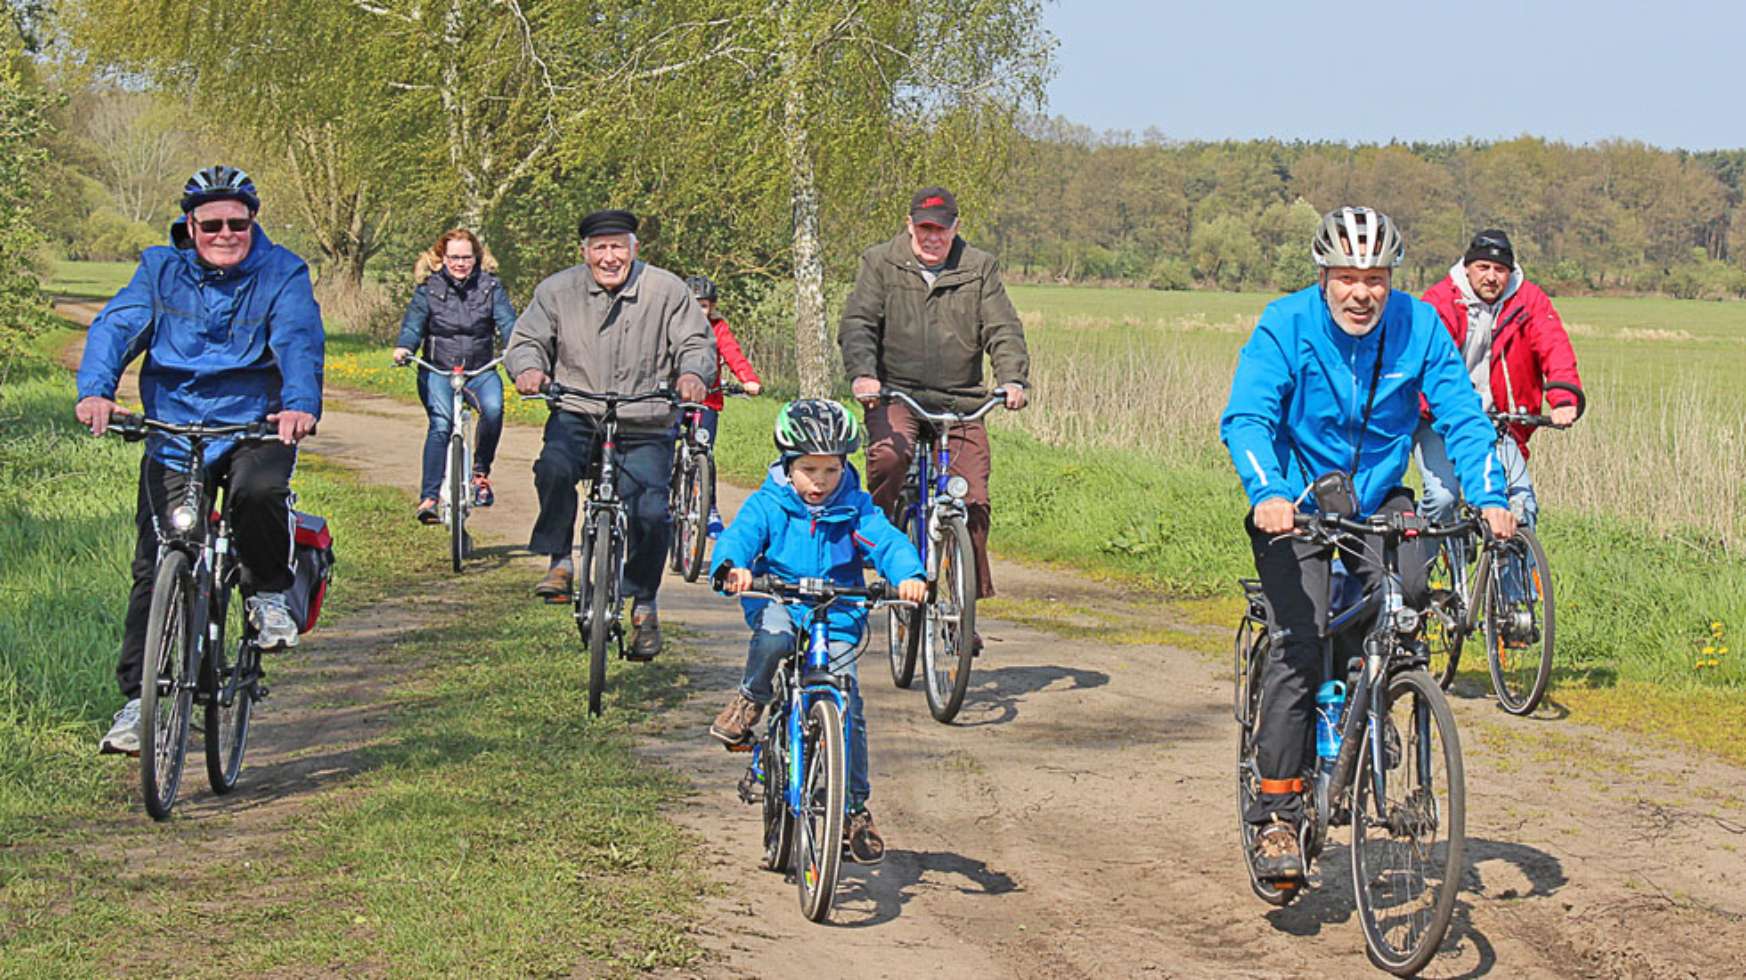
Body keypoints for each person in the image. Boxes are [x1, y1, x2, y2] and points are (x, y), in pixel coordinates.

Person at [1219, 206, 1515, 882]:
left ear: (1391, 280)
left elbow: (1464, 417)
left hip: (1381, 499)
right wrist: (1268, 492)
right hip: (1296, 504)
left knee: (1408, 596)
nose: (1362, 293)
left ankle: (1364, 695)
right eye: (1348, 277)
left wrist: (1490, 498)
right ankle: (1277, 815)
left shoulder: (1419, 327)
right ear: (1324, 277)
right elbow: (1249, 416)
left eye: (1376, 278)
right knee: (1303, 634)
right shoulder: (1285, 325)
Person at [75, 165, 324, 756]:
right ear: (190, 226)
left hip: (254, 423)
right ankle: (140, 701)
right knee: (155, 562)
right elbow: (117, 326)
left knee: (257, 493)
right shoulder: (160, 269)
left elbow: (297, 337)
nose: (225, 233)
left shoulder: (282, 271)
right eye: (211, 223)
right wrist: (96, 389)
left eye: (238, 222)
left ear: (252, 223)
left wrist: (297, 405)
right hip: (175, 428)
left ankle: (267, 591)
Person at [707, 399, 927, 865]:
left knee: (847, 701)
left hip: (838, 609)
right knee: (774, 640)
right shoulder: (770, 503)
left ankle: (853, 810)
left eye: (831, 470)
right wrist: (732, 567)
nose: (820, 481)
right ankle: (750, 701)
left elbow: (886, 541)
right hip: (780, 601)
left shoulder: (854, 506)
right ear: (789, 465)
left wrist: (910, 575)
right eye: (809, 469)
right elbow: (741, 536)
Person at [505, 209, 713, 659]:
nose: (609, 257)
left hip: (646, 418)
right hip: (578, 410)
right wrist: (528, 368)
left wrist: (692, 375)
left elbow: (696, 343)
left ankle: (643, 604)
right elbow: (526, 340)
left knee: (652, 511)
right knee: (554, 468)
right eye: (600, 248)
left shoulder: (666, 290)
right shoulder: (557, 291)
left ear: (635, 250)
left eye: (618, 246)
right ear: (585, 253)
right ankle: (559, 560)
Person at [838, 186, 1030, 637]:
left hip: (960, 398)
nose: (931, 237)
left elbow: (1003, 327)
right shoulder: (880, 262)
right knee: (889, 457)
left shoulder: (978, 267)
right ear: (909, 226)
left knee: (973, 498)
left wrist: (1012, 378)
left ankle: (963, 604)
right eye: (924, 228)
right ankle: (881, 539)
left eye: (940, 229)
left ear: (954, 228)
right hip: (895, 392)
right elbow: (859, 323)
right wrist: (864, 374)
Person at [1414, 229, 1583, 528]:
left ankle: (1514, 575)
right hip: (1440, 419)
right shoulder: (1440, 302)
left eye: (1500, 270)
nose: (1491, 277)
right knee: (1443, 499)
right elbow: (1425, 362)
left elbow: (1553, 345)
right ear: (1467, 268)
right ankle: (1418, 570)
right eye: (1483, 268)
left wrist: (1563, 397)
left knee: (1521, 503)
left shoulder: (1528, 300)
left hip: (1498, 419)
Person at [393, 228, 517, 521]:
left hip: (480, 369)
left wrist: (518, 351)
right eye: (454, 258)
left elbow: (508, 323)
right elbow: (413, 325)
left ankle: (480, 474)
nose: (460, 263)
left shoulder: (490, 287)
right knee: (441, 424)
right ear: (441, 258)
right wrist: (403, 348)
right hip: (439, 369)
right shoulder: (428, 289)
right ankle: (429, 497)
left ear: (477, 258)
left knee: (494, 409)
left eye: (466, 257)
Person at [682, 274, 762, 536]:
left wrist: (748, 379)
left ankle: (709, 508)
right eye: (693, 305)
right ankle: (661, 501)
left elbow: (733, 354)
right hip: (674, 400)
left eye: (703, 305)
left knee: (705, 453)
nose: (699, 311)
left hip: (707, 400)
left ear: (712, 307)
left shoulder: (718, 329)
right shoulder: (672, 325)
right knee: (659, 449)